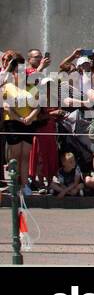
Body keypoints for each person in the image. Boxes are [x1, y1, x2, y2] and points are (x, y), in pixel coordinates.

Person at [2, 61, 38, 196]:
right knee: (15, 156)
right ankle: (14, 184)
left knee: (25, 155)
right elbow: (7, 106)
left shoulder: (32, 88)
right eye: (18, 72)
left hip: (29, 123)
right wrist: (19, 119)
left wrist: (30, 117)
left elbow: (37, 107)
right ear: (13, 74)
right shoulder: (8, 87)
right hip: (13, 122)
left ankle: (24, 184)